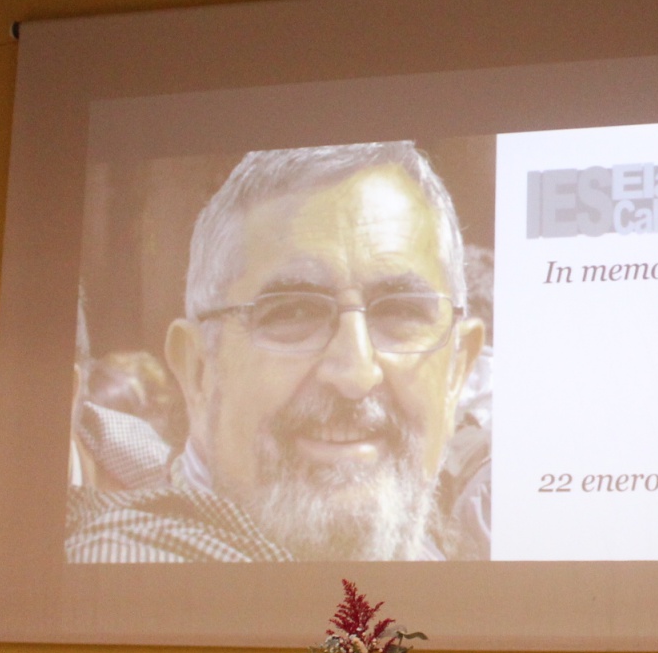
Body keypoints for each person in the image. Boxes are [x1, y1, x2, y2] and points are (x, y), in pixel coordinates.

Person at [66, 142, 488, 563]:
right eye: (294, 311)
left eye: (401, 311)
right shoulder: (129, 576)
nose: (356, 374)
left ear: (457, 371)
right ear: (198, 371)